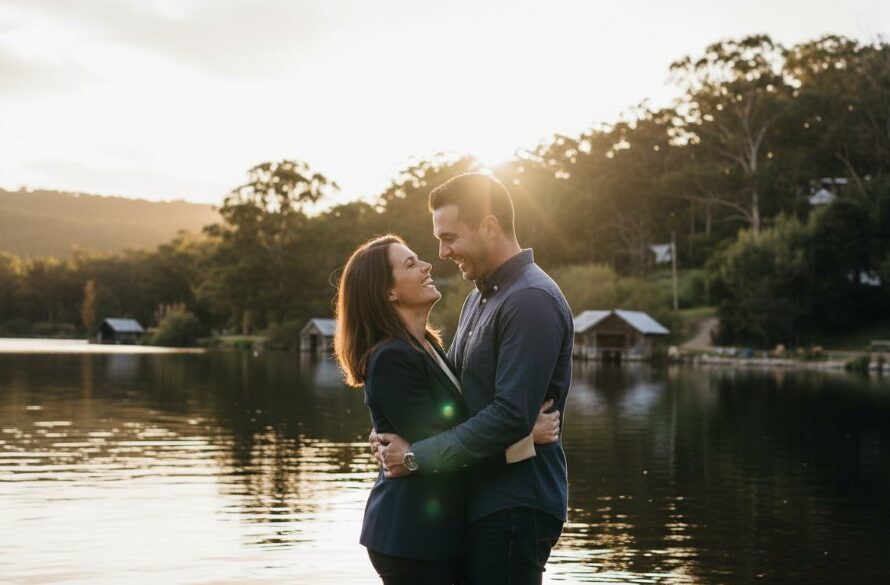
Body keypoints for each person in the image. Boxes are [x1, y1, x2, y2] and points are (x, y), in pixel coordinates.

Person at [374, 173, 574, 585]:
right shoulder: (479, 299)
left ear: (488, 226)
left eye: (449, 238)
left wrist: (416, 457)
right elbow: (458, 402)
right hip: (481, 501)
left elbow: (508, 415)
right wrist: (389, 426)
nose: (442, 252)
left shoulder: (529, 299)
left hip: (516, 506)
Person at [333, 234, 561, 585]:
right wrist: (526, 437)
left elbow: (452, 432)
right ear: (388, 292)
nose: (427, 265)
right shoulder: (392, 357)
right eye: (410, 264)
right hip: (411, 534)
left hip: (436, 532)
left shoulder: (428, 346)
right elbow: (446, 451)